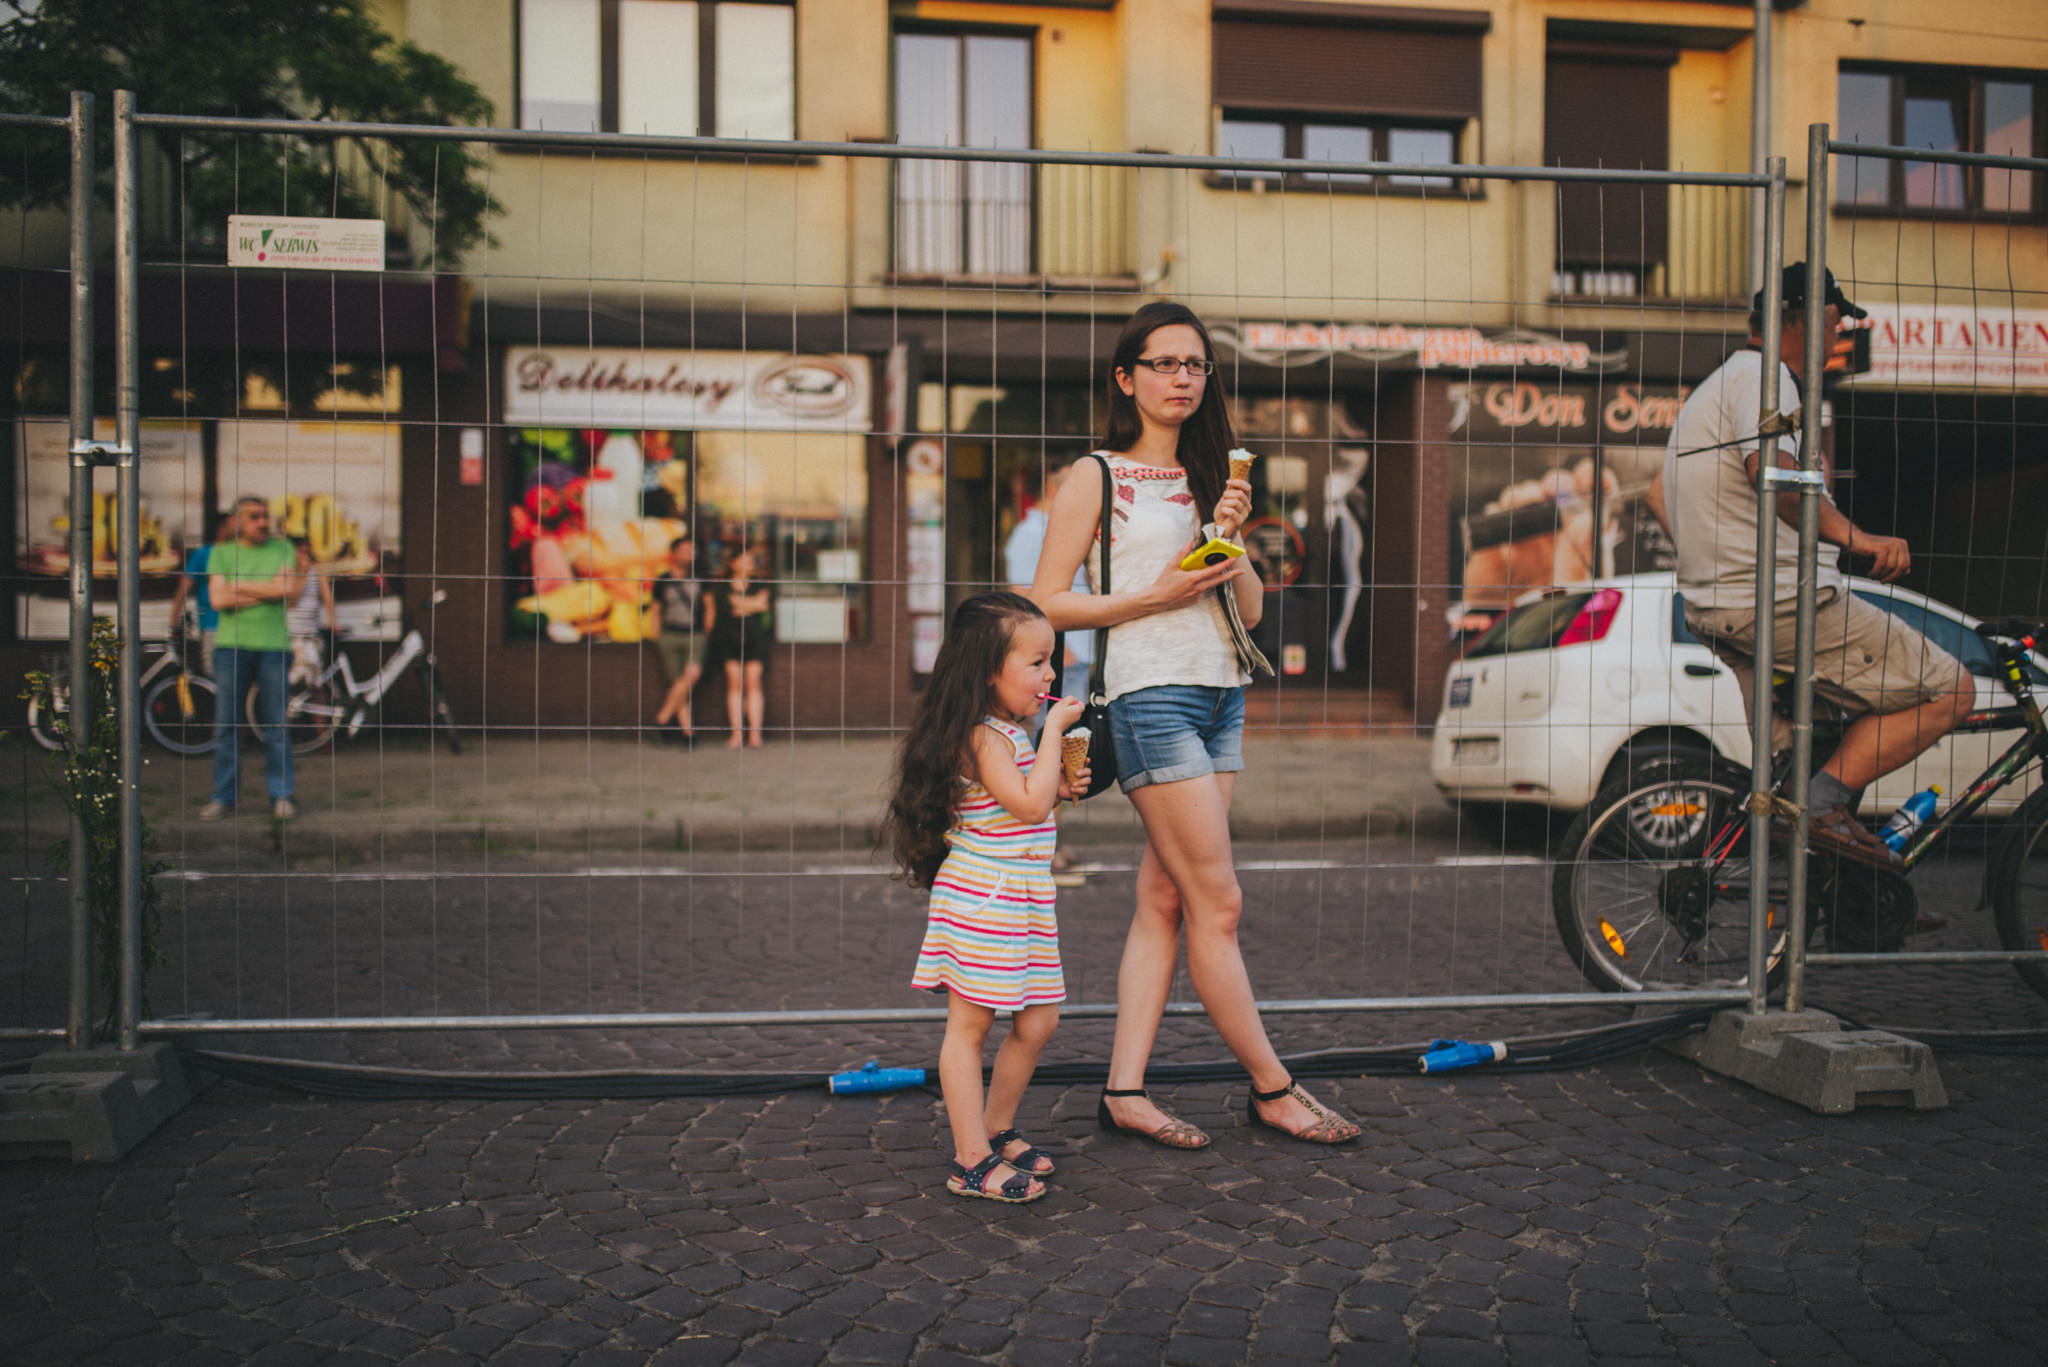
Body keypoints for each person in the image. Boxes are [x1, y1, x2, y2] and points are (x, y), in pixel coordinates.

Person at [1030, 301, 1361, 1147]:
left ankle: (1125, 1089)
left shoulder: (1211, 477)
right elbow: (1045, 602)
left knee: (1166, 896)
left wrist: (1230, 540)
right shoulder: (1095, 475)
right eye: (1165, 362)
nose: (1182, 377)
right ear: (1126, 377)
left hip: (1221, 691)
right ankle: (1273, 1086)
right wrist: (1148, 596)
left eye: (1196, 365)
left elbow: (1247, 607)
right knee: (1221, 902)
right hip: (1151, 695)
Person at [1646, 263, 1973, 866]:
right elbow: (1778, 483)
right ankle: (1824, 807)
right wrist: (1860, 539)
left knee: (1810, 756)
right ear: (1806, 317)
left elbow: (1654, 497)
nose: (1842, 331)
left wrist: (1716, 563)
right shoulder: (1769, 381)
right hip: (1781, 606)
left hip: (1722, 611)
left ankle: (1856, 895)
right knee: (1953, 690)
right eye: (1836, 318)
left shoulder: (1719, 386)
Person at [883, 591, 1087, 1203]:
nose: (1051, 673)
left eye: (1051, 660)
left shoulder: (1008, 732)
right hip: (985, 894)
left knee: (1040, 1016)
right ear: (986, 670)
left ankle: (997, 1127)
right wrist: (1054, 734)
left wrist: (1058, 779)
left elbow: (1026, 804)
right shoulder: (983, 736)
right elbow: (1025, 804)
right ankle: (970, 1160)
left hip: (1022, 893)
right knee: (970, 1026)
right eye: (1037, 662)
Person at [201, 497, 303, 822]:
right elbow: (217, 599)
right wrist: (267, 588)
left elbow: (287, 591)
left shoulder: (282, 548)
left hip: (275, 647)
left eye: (265, 515)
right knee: (227, 726)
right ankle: (223, 797)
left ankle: (282, 796)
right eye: (254, 517)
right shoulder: (221, 552)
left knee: (277, 725)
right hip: (231, 647)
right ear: (235, 521)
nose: (263, 522)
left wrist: (239, 584)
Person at [1005, 455, 1092, 706]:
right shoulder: (1031, 533)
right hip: (1061, 657)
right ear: (1053, 488)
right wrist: (1057, 654)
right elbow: (1021, 597)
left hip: (1075, 653)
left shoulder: (1061, 529)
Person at [709, 544, 775, 749]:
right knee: (734, 684)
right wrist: (752, 604)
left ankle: (755, 734)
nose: (749, 564)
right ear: (733, 563)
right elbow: (728, 610)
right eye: (744, 560)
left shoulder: (759, 585)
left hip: (756, 639)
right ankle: (736, 734)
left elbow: (763, 606)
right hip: (729, 640)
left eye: (751, 560)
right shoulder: (722, 588)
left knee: (753, 683)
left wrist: (740, 604)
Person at [651, 533, 714, 745]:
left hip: (694, 634)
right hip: (669, 635)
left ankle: (662, 718)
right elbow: (655, 610)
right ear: (674, 553)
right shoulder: (663, 580)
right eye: (686, 550)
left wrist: (706, 630)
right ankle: (688, 733)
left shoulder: (701, 577)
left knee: (689, 677)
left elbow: (709, 606)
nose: (690, 554)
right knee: (679, 684)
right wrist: (657, 635)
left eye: (692, 551)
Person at [168, 512, 231, 675]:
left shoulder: (242, 554)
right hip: (213, 625)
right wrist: (173, 622)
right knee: (215, 675)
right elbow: (184, 589)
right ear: (221, 529)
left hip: (240, 626)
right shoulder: (203, 554)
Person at [285, 537, 337, 687]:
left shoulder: (318, 573)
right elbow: (291, 600)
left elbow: (328, 599)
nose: (304, 555)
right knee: (294, 680)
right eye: (301, 551)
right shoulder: (290, 573)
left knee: (316, 682)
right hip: (292, 637)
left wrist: (331, 621)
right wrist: (302, 574)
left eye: (307, 551)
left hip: (311, 635)